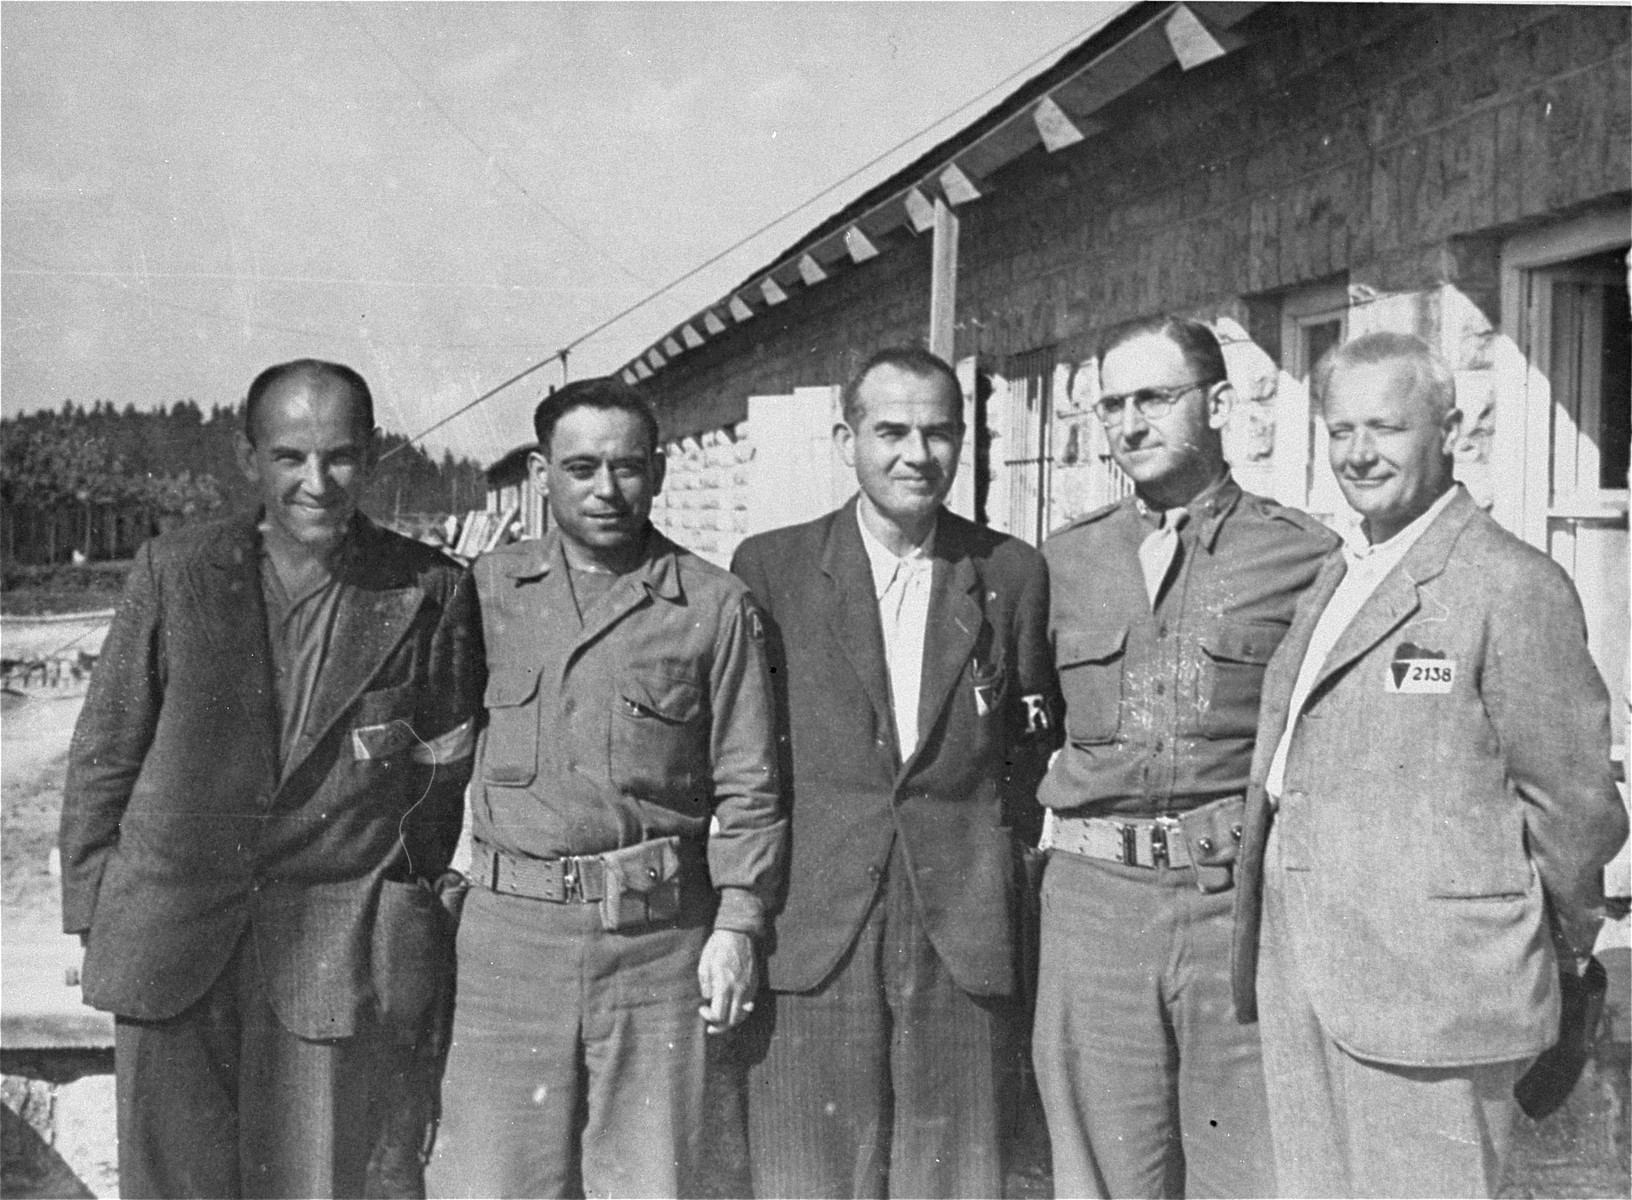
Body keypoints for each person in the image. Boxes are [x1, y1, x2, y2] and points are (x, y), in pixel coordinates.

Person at [59, 359, 482, 1198]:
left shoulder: (430, 591)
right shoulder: (173, 572)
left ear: (374, 455)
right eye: (290, 457)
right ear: (249, 458)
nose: (316, 483)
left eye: (341, 458)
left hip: (330, 949)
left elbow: (439, 786)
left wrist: (395, 908)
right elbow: (104, 754)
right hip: (170, 945)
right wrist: (93, 913)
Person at [1231, 331, 1628, 1197]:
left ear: (1450, 431)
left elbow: (1575, 808)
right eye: (1341, 431)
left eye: (1386, 428)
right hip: (1308, 979)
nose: (1359, 454)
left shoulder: (1507, 583)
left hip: (1435, 1000)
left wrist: (1547, 956)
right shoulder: (1342, 573)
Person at [426, 377, 784, 1199]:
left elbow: (752, 785)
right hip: (508, 945)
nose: (605, 489)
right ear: (542, 472)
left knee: (655, 1180)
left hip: (654, 945)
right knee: (490, 1181)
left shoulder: (714, 606)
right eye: (581, 467)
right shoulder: (486, 593)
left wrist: (738, 924)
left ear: (656, 473)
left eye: (626, 467)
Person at [729, 346, 1054, 1198]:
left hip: (962, 921)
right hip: (820, 914)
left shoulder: (1010, 573)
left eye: (940, 432)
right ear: (847, 438)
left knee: (955, 1176)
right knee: (810, 1169)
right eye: (893, 431)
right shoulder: (771, 568)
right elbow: (750, 750)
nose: (918, 454)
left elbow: (1027, 756)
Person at [1031, 316, 1337, 1198]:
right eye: (1113, 405)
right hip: (1093, 909)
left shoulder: (1305, 556)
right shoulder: (1061, 563)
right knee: (1102, 1174)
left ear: (1218, 401)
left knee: (1249, 1172)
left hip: (1231, 911)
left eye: (1155, 398)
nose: (1130, 424)